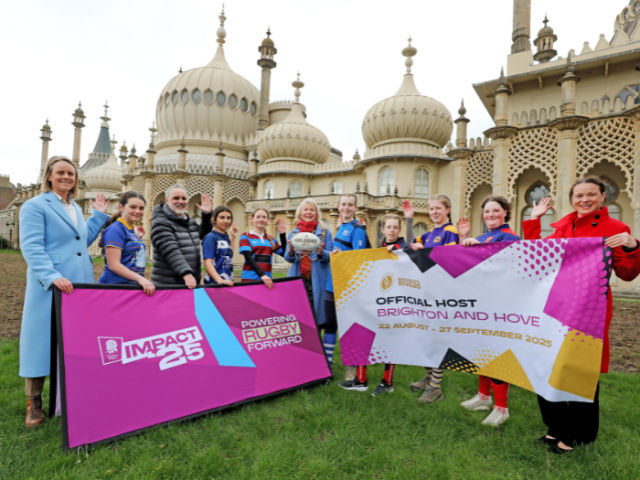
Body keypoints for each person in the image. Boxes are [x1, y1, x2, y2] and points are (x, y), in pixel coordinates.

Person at [523, 176, 640, 454]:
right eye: (579, 196)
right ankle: (555, 427)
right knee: (547, 365)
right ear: (572, 199)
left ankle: (580, 435)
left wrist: (632, 246)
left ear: (603, 198)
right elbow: (537, 259)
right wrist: (534, 221)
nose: (584, 200)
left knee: (580, 370)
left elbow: (627, 272)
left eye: (591, 195)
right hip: (555, 308)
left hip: (589, 311)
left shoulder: (615, 228)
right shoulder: (562, 226)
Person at [19, 156, 110, 427]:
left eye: (70, 173)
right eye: (60, 172)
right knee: (40, 342)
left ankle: (70, 396)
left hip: (78, 285)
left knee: (72, 341)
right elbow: (32, 246)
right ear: (49, 176)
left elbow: (80, 241)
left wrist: (99, 217)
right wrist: (52, 276)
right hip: (50, 285)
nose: (66, 177)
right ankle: (33, 402)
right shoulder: (35, 206)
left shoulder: (74, 208)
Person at [458, 195, 520, 426]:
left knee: (497, 353)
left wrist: (481, 247)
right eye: (487, 211)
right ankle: (483, 396)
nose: (491, 215)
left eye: (496, 210)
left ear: (505, 212)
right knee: (481, 350)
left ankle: (501, 408)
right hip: (480, 302)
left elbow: (505, 262)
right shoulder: (482, 236)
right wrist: (464, 239)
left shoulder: (510, 236)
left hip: (500, 303)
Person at [340, 208, 415, 396]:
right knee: (362, 334)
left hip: (395, 303)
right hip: (376, 300)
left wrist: (396, 250)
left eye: (395, 227)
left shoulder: (403, 245)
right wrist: (339, 257)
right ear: (383, 228)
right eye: (388, 227)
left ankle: (387, 382)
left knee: (389, 341)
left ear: (399, 230)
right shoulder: (380, 247)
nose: (391, 230)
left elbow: (412, 257)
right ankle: (360, 380)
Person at [409, 194, 460, 403]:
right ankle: (429, 376)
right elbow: (410, 246)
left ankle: (435, 387)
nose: (434, 212)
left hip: (441, 294)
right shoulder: (429, 234)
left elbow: (450, 258)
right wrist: (410, 219)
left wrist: (426, 250)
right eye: (431, 209)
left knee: (437, 338)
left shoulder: (451, 232)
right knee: (424, 337)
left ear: (447, 209)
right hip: (425, 292)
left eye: (438, 208)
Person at [324, 194, 369, 371]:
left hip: (346, 287)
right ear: (338, 206)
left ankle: (352, 367)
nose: (347, 207)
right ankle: (327, 364)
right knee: (330, 325)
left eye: (350, 205)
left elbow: (358, 260)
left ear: (355, 207)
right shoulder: (342, 226)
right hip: (331, 283)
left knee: (350, 327)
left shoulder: (357, 229)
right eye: (344, 204)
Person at [284, 198, 334, 327]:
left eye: (312, 210)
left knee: (316, 316)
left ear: (316, 214)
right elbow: (288, 258)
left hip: (317, 278)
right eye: (305, 209)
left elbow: (331, 256)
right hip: (298, 278)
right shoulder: (293, 233)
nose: (308, 212)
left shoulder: (324, 232)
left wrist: (322, 252)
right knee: (298, 315)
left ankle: (317, 343)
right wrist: (290, 250)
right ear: (300, 213)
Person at [150, 185, 212, 288]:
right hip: (169, 285)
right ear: (166, 200)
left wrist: (206, 215)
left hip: (189, 283)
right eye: (176, 198)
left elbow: (202, 235)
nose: (181, 201)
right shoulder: (160, 222)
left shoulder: (188, 220)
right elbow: (170, 250)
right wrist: (186, 273)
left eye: (184, 198)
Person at [97, 191, 155, 296]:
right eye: (133, 207)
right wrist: (140, 278)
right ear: (121, 207)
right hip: (114, 289)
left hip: (129, 289)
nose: (138, 211)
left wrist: (136, 237)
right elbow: (113, 265)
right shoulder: (115, 230)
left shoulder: (130, 230)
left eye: (141, 208)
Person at [238, 207, 287, 289]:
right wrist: (263, 275)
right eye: (258, 217)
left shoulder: (271, 239)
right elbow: (248, 258)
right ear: (252, 219)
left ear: (267, 220)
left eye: (264, 217)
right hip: (250, 280)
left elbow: (285, 254)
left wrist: (282, 235)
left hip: (267, 282)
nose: (261, 219)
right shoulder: (245, 236)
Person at [202, 206, 238, 286]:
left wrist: (232, 237)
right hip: (214, 284)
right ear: (213, 219)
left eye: (228, 218)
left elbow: (229, 256)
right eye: (222, 217)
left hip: (227, 283)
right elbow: (208, 262)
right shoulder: (210, 237)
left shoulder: (225, 237)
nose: (226, 221)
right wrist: (219, 280)